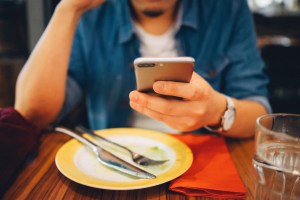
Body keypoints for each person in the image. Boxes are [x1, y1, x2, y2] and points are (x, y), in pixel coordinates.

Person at [15, 0, 271, 138]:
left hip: (203, 161)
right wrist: (68, 9)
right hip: (113, 163)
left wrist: (217, 111)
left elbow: (259, 114)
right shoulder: (90, 14)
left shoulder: (227, 8)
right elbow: (32, 114)